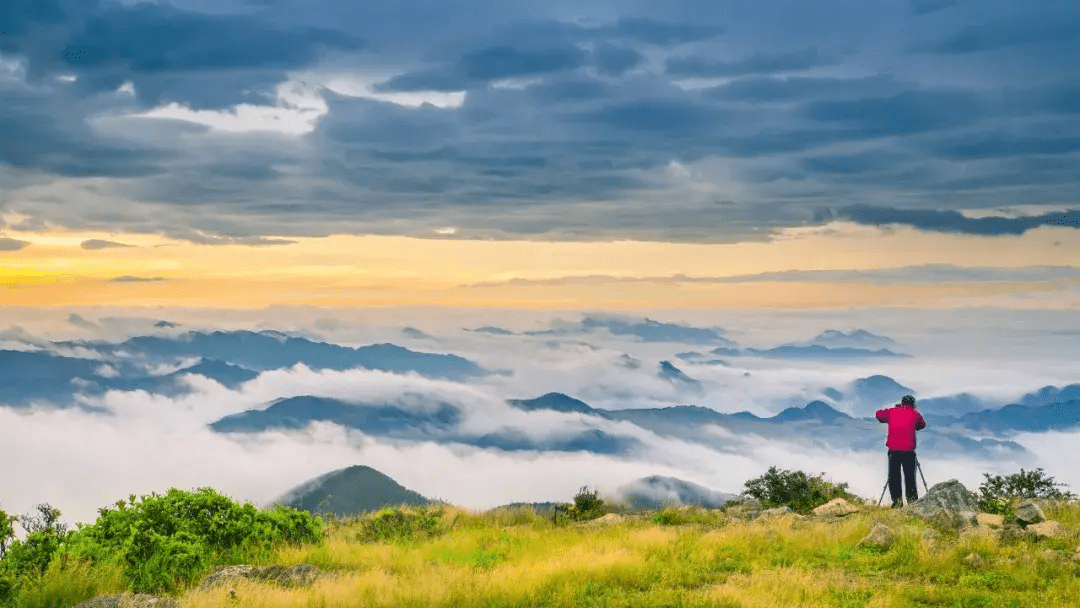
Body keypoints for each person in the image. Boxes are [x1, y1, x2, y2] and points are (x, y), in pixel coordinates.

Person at [876, 395, 926, 508]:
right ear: (912, 404)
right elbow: (922, 425)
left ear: (902, 403)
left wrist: (894, 409)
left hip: (893, 450)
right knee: (910, 477)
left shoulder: (892, 411)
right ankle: (912, 503)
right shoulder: (914, 413)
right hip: (909, 451)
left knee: (894, 476)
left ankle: (897, 503)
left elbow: (878, 415)